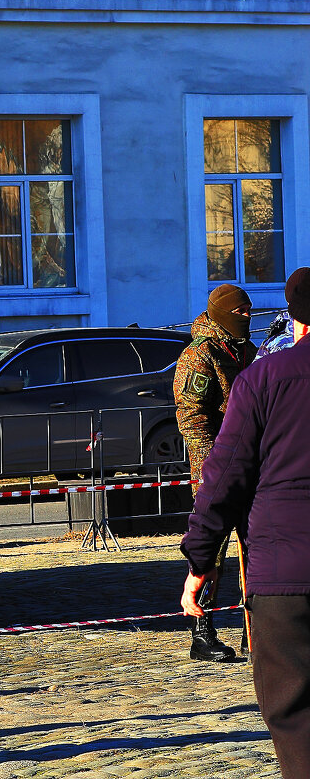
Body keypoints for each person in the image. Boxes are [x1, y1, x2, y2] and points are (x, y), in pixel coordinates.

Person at [180, 266, 310, 778]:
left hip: (282, 571)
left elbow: (226, 475)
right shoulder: (209, 357)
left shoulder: (260, 374)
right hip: (278, 554)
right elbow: (199, 429)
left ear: (296, 321)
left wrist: (198, 559)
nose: (246, 320)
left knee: (293, 710)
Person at [172, 282, 256, 661]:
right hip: (216, 470)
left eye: (249, 311)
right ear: (223, 314)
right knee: (212, 552)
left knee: (257, 548)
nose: (247, 317)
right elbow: (192, 419)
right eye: (240, 312)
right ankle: (202, 633)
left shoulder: (248, 353)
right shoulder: (199, 357)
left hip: (253, 466)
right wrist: (212, 470)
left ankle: (253, 630)